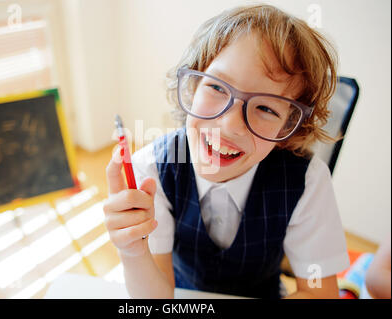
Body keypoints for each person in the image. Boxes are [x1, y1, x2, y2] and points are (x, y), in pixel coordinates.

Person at [104, 4, 349, 299]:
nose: (230, 125)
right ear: (193, 86)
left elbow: (320, 293)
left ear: (289, 129)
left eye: (266, 108)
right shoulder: (153, 171)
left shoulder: (306, 180)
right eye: (217, 88)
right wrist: (133, 252)